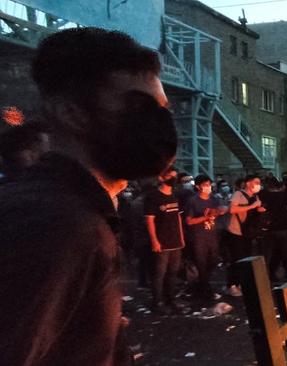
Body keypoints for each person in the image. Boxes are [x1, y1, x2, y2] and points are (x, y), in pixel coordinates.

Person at [0, 28, 176, 365]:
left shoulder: (80, 210)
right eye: (139, 106)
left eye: (162, 109)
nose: (158, 124)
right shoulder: (53, 223)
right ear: (71, 113)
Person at [144, 166, 186, 314]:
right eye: (170, 176)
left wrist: (181, 238)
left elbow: (178, 218)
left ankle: (171, 300)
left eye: (175, 176)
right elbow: (149, 220)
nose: (173, 179)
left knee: (172, 273)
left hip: (175, 242)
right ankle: (157, 302)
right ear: (161, 178)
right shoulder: (153, 197)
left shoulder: (174, 196)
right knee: (159, 274)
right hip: (162, 242)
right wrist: (154, 241)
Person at [185, 174, 227, 302]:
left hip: (212, 235)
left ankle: (202, 285)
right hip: (199, 237)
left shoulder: (214, 199)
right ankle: (204, 290)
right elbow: (189, 221)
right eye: (205, 185)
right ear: (198, 187)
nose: (208, 187)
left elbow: (221, 209)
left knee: (213, 261)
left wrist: (221, 211)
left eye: (209, 184)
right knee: (201, 263)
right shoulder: (193, 201)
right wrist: (205, 217)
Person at [222, 175, 266, 297]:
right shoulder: (238, 194)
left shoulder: (255, 196)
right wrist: (252, 206)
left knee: (245, 259)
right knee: (236, 259)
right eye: (256, 182)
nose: (258, 184)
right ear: (248, 183)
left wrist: (259, 210)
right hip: (236, 231)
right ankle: (231, 285)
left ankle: (241, 283)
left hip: (248, 232)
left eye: (259, 182)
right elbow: (232, 209)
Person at [259, 177, 287, 282]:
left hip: (268, 229)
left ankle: (265, 277)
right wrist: (284, 217)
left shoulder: (263, 195)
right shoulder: (285, 195)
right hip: (284, 228)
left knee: (267, 254)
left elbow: (260, 209)